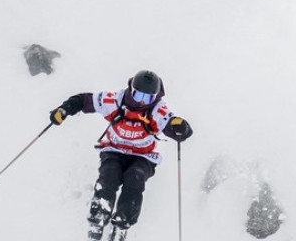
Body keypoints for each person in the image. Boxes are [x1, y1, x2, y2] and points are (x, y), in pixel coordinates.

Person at [50, 69, 194, 241]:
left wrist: (180, 128)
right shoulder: (116, 101)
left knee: (135, 179)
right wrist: (65, 109)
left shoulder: (157, 109)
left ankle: (121, 225)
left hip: (142, 156)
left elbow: (173, 126)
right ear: (131, 89)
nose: (141, 102)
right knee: (109, 176)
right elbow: (85, 100)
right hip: (114, 149)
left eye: (147, 98)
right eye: (138, 95)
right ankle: (98, 219)